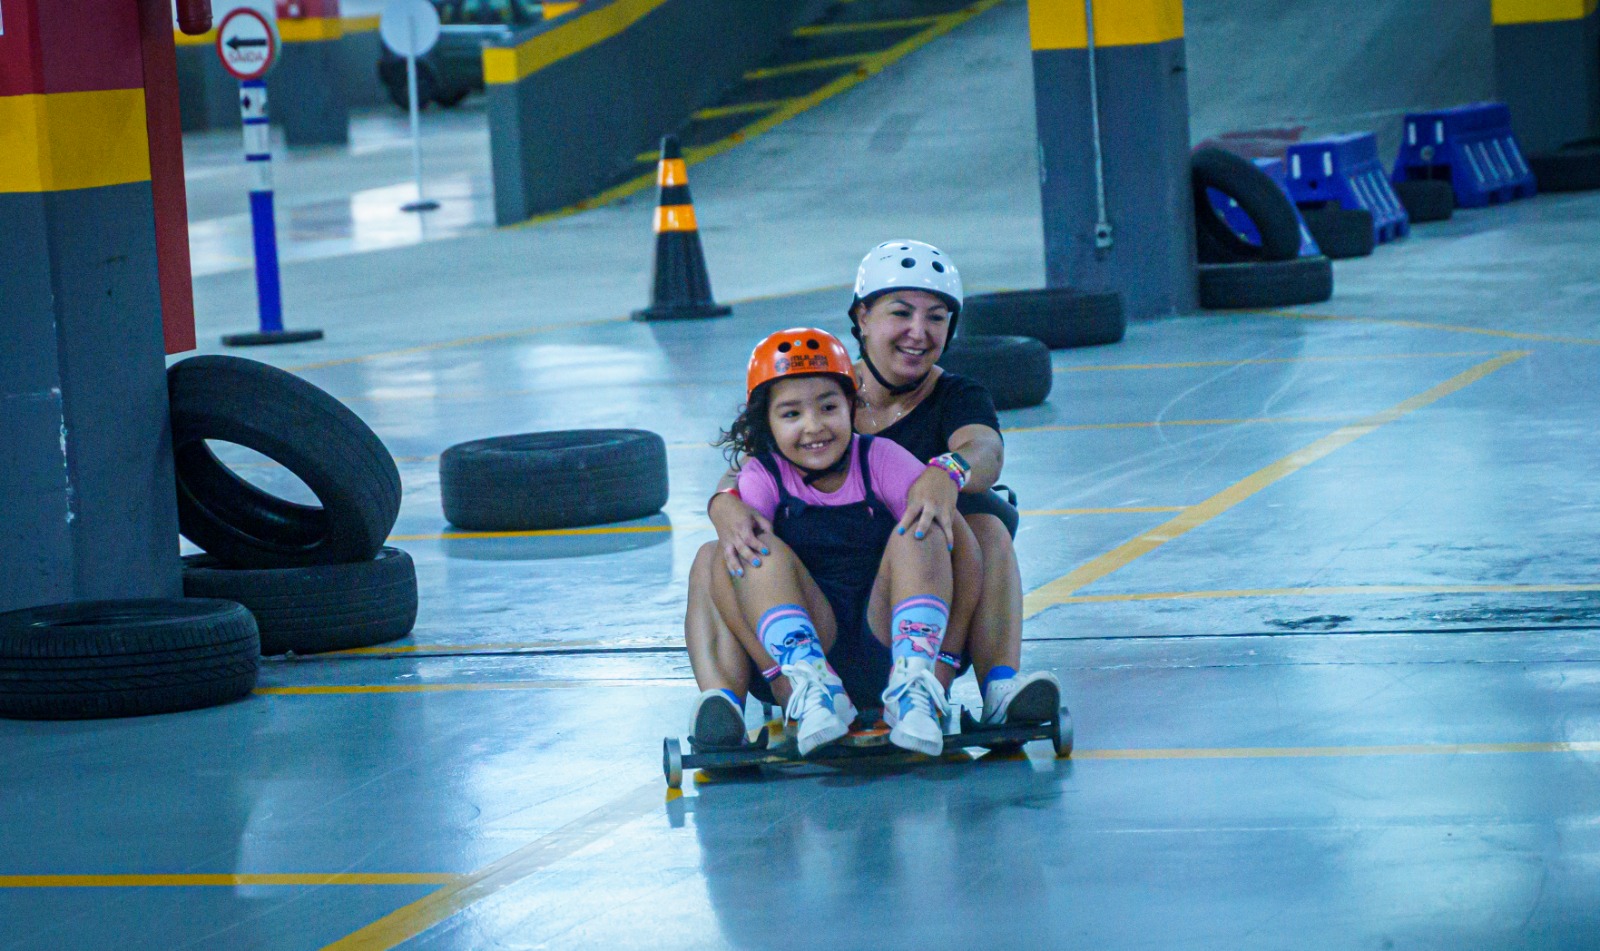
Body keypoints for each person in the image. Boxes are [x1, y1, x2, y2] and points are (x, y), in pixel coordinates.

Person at [685, 241, 1059, 751]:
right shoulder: (816, 384)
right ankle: (731, 701)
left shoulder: (950, 399)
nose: (918, 332)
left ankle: (990, 689)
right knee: (718, 553)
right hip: (806, 607)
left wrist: (946, 472)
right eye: (900, 313)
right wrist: (723, 503)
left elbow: (985, 449)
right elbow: (752, 471)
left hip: (909, 603)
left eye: (937, 317)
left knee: (986, 526)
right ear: (861, 318)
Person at [697, 327, 969, 757]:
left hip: (889, 641)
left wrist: (943, 668)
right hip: (810, 646)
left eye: (828, 407)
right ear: (764, 424)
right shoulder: (761, 478)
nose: (814, 426)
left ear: (852, 406)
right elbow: (733, 584)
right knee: (738, 549)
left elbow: (962, 548)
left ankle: (915, 687)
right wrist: (781, 683)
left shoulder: (880, 458)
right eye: (791, 414)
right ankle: (806, 689)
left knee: (927, 522)